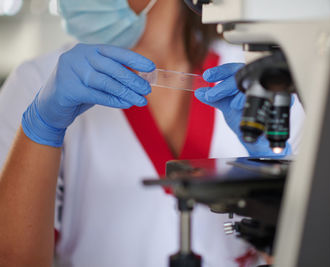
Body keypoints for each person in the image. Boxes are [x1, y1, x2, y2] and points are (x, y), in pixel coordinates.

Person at [0, 0, 305, 266]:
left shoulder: (265, 85)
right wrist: (41, 127)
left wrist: (276, 181)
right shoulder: (38, 86)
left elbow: (313, 255)